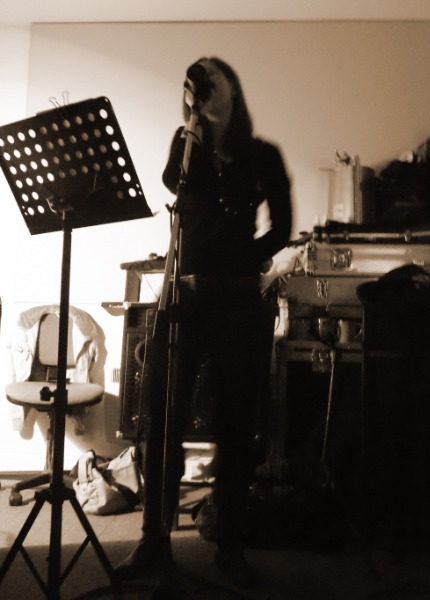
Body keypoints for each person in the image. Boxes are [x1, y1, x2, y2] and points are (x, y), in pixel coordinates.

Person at [114, 56, 292, 589]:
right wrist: (193, 129)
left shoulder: (262, 155)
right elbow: (174, 183)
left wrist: (241, 263)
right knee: (161, 417)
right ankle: (153, 537)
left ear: (232, 87)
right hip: (183, 298)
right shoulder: (185, 144)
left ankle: (230, 546)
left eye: (214, 78)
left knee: (234, 424)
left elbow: (281, 228)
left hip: (236, 301)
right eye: (197, 82)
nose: (205, 86)